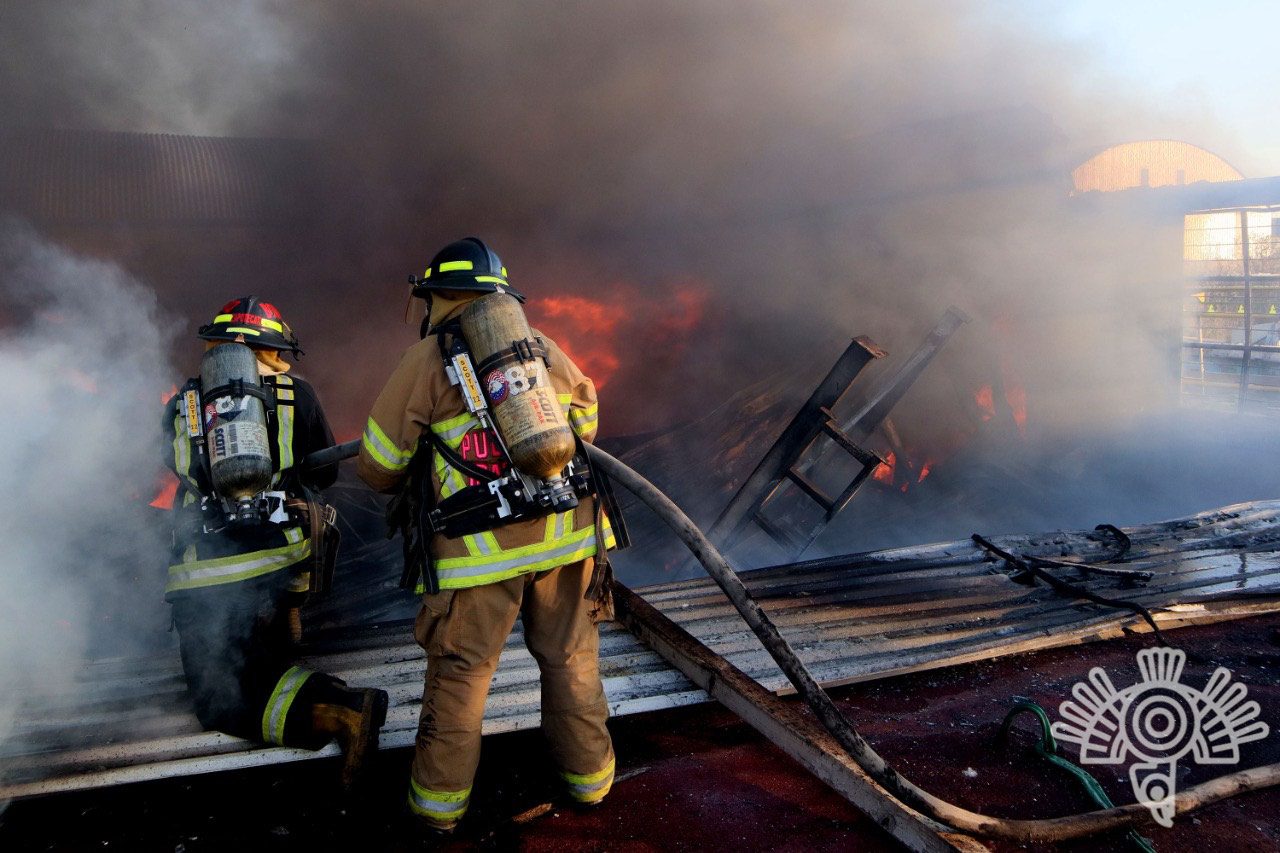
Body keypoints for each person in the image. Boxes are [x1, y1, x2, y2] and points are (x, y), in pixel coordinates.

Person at [358, 238, 616, 833]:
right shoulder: (540, 347)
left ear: (436, 296)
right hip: (569, 536)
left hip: (479, 556)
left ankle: (436, 812)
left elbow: (377, 465)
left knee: (462, 675)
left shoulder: (426, 359)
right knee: (572, 659)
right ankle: (592, 785)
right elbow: (587, 424)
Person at [163, 296, 388, 788]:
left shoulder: (185, 402)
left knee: (216, 699)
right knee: (260, 664)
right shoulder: (296, 394)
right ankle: (314, 686)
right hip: (285, 561)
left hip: (210, 572)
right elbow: (326, 471)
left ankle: (344, 710)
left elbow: (174, 467)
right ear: (271, 347)